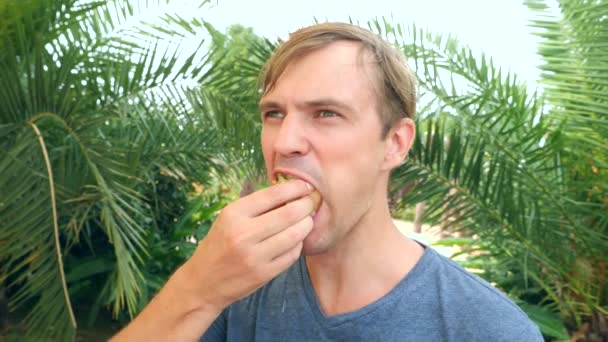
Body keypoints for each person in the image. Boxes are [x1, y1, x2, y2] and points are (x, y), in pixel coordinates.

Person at [111, 22, 543, 341]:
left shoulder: (485, 328)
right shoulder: (239, 290)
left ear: (394, 143)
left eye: (326, 114)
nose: (285, 141)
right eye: (274, 114)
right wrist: (197, 287)